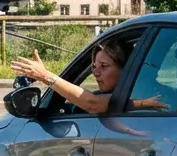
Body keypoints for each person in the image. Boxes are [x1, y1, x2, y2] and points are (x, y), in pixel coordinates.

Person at [10, 42, 166, 135]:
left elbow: (92, 103)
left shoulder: (145, 94)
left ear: (126, 70)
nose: (96, 72)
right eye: (93, 66)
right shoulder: (133, 94)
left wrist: (46, 76)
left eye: (104, 66)